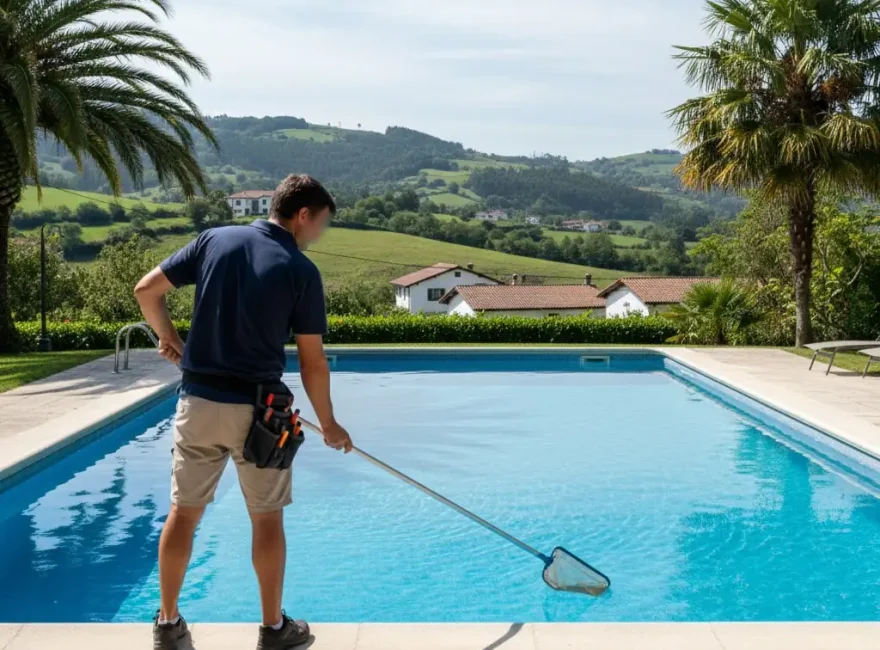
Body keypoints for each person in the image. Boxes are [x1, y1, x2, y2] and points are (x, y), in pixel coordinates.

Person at [135, 174, 352, 650]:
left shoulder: (214, 240)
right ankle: (273, 629)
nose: (319, 233)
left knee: (183, 514)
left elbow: (146, 291)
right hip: (259, 415)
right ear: (302, 215)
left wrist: (168, 338)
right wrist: (330, 424)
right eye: (321, 224)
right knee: (267, 518)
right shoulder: (300, 270)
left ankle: (168, 624)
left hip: (198, 401)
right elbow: (313, 362)